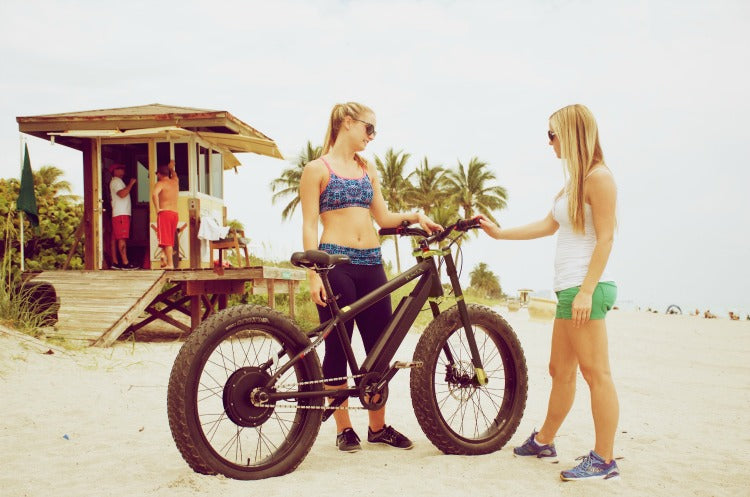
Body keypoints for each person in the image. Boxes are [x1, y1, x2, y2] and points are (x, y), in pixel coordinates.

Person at [478, 104, 620, 481]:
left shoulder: (599, 178)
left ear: (573, 133)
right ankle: (545, 441)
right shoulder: (573, 182)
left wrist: (588, 291)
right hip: (569, 290)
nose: (549, 142)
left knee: (596, 374)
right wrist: (499, 232)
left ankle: (605, 461)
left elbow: (606, 238)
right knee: (561, 370)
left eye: (552, 134)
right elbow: (547, 224)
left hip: (585, 289)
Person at [299, 102, 442, 453]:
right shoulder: (316, 169)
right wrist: (314, 274)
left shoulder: (367, 169)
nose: (371, 136)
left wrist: (415, 216)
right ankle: (344, 428)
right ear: (347, 123)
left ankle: (377, 428)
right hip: (336, 265)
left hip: (372, 264)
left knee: (380, 347)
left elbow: (383, 218)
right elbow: (308, 224)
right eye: (369, 128)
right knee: (338, 349)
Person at [151, 159, 179, 269]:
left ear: (159, 174)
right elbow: (174, 174)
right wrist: (171, 167)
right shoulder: (175, 181)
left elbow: (154, 195)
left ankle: (170, 264)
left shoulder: (160, 183)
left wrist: (157, 209)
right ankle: (163, 255)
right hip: (175, 214)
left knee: (166, 241)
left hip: (165, 213)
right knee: (168, 238)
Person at [109, 163, 137, 269]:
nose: (122, 170)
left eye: (122, 168)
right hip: (121, 214)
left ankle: (115, 262)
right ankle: (125, 263)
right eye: (119, 168)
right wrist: (131, 184)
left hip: (118, 213)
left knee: (115, 238)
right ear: (114, 171)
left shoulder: (117, 181)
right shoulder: (116, 181)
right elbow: (122, 194)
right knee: (122, 238)